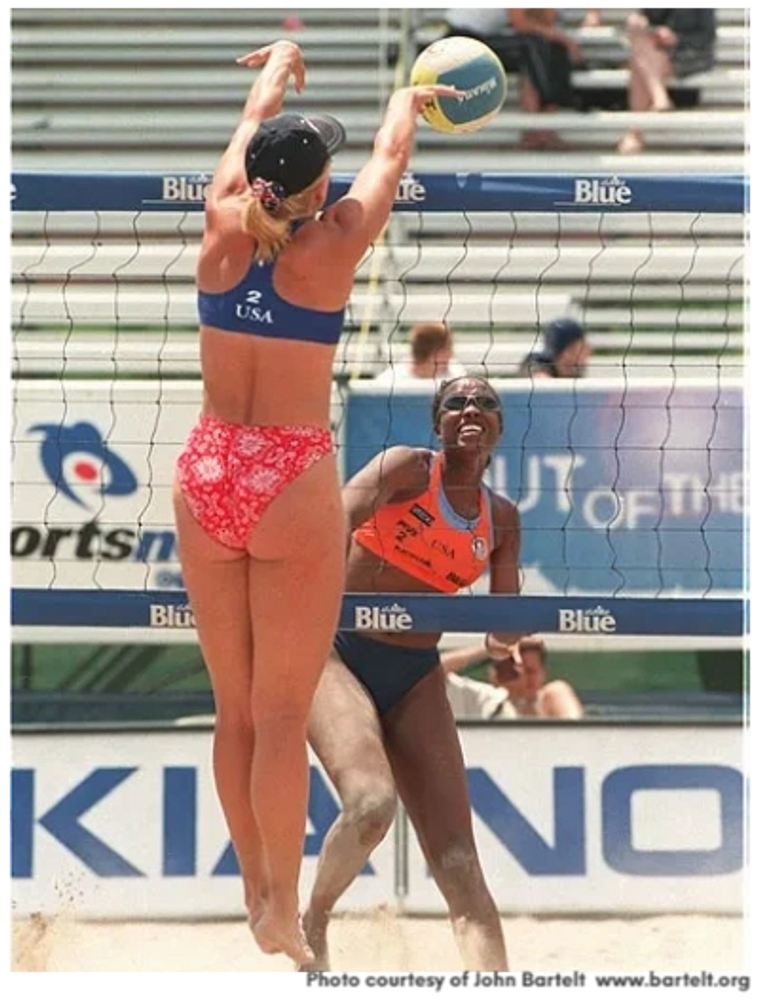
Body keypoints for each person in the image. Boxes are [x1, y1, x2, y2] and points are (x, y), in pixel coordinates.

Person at [171, 38, 461, 965]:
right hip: (288, 476)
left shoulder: (220, 221)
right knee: (282, 715)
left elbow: (247, 132)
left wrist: (272, 71)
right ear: (312, 192)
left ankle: (255, 891)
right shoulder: (333, 246)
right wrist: (412, 101)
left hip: (209, 467)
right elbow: (390, 158)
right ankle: (284, 913)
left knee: (235, 710)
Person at [301, 374, 522, 974]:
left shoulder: (501, 519)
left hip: (415, 673)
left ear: (500, 428)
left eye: (485, 403)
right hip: (337, 652)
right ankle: (315, 919)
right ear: (439, 423)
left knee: (460, 868)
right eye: (457, 402)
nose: (471, 408)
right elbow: (329, 521)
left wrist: (507, 644)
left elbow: (503, 630)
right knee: (372, 804)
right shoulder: (405, 469)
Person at [442, 6, 602, 149]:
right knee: (532, 46)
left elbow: (545, 21)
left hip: (480, 37)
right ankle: (536, 128)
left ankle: (542, 128)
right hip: (461, 40)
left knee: (545, 48)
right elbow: (521, 24)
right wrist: (567, 41)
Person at [617, 6, 717, 155]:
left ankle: (635, 132)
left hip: (689, 52)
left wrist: (676, 38)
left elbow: (707, 35)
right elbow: (648, 20)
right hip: (657, 51)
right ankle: (660, 97)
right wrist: (641, 22)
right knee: (638, 41)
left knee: (639, 64)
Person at [441, 635, 584, 719]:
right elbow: (433, 672)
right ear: (495, 674)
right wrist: (492, 649)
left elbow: (576, 732)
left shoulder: (552, 695)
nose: (523, 677)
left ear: (543, 672)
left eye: (530, 671)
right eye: (515, 669)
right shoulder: (484, 699)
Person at [372, 321, 468, 385]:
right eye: (448, 349)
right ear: (436, 355)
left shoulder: (456, 374)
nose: (451, 355)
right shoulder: (390, 381)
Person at [516, 316, 592, 378]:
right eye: (583, 346)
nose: (588, 351)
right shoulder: (537, 365)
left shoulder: (576, 372)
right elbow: (535, 374)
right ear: (567, 352)